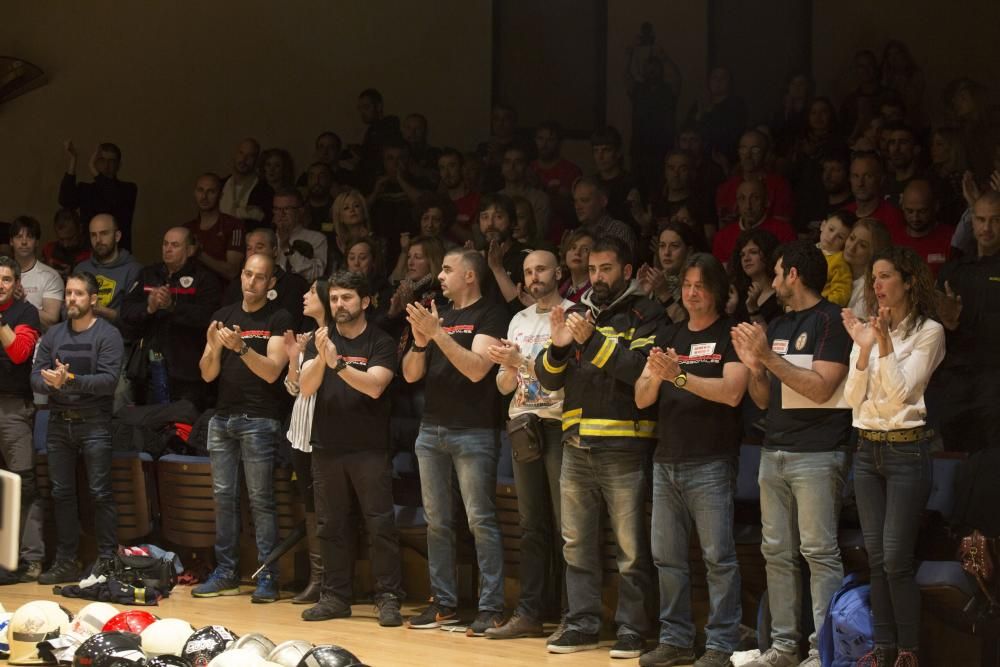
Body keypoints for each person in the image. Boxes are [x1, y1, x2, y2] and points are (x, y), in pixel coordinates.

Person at [535, 236, 664, 658]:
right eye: (591, 270)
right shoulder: (575, 313)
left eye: (605, 269)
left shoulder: (647, 312)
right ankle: (582, 623)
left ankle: (631, 628)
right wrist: (557, 345)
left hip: (624, 444)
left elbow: (638, 371)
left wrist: (590, 341)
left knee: (630, 547)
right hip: (574, 442)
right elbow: (548, 380)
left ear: (627, 271)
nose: (596, 277)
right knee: (576, 543)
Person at [730, 240, 853, 667]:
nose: (773, 280)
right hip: (773, 450)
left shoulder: (833, 321)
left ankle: (825, 651)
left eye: (778, 272)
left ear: (794, 275)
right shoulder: (778, 325)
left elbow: (821, 388)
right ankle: (783, 648)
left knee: (819, 553)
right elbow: (763, 400)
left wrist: (768, 357)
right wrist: (754, 366)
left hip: (819, 454)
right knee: (776, 551)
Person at [635, 253, 749, 667]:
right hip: (667, 460)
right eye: (686, 285)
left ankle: (722, 642)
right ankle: (676, 638)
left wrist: (679, 376)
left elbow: (734, 393)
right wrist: (657, 375)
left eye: (700, 285)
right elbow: (642, 397)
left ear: (717, 290)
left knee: (718, 557)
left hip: (712, 460)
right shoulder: (670, 334)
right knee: (667, 557)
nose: (692, 293)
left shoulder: (730, 334)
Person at [842, 246, 945, 667]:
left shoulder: (929, 331)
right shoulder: (867, 330)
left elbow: (904, 392)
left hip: (906, 451)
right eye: (873, 279)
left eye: (885, 276)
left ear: (907, 281)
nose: (877, 285)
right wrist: (865, 349)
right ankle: (882, 649)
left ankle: (909, 651)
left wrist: (882, 344)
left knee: (898, 558)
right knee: (877, 557)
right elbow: (850, 397)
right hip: (867, 449)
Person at [401, 248, 509, 635]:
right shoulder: (438, 317)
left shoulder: (491, 313)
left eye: (447, 269)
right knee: (437, 523)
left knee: (481, 520)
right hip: (431, 429)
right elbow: (412, 376)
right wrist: (418, 341)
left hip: (475, 431)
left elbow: (478, 369)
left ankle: (491, 606)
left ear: (470, 276)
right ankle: (444, 603)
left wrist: (438, 335)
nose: (440, 275)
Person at [298, 271, 405, 626]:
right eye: (334, 298)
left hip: (369, 448)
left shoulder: (381, 342)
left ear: (365, 301)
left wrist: (339, 365)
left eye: (347, 298)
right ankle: (335, 596)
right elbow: (306, 387)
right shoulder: (321, 339)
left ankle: (388, 597)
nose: (339, 305)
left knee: (380, 526)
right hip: (326, 445)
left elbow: (374, 386)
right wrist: (320, 358)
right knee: (330, 525)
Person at [193, 253, 291, 603]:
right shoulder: (222, 316)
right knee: (223, 500)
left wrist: (242, 347)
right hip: (222, 418)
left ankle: (268, 576)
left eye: (259, 277)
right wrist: (216, 348)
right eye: (247, 275)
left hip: (260, 419)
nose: (251, 282)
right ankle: (226, 573)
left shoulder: (278, 318)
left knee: (261, 501)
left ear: (271, 283)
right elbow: (207, 373)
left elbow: (272, 371)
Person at [484, 250, 572, 639]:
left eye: (541, 269)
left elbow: (562, 376)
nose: (534, 277)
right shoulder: (518, 319)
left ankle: (574, 615)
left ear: (559, 272)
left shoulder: (573, 313)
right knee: (531, 525)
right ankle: (530, 612)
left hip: (560, 425)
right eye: (528, 272)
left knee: (568, 525)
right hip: (522, 422)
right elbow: (505, 386)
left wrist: (520, 362)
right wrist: (507, 366)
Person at [31, 271, 124, 584]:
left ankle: (108, 561)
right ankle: (67, 561)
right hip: (58, 423)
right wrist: (52, 382)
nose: (71, 299)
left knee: (100, 494)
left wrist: (70, 380)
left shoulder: (107, 335)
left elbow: (108, 382)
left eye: (79, 294)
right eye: (69, 293)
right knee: (61, 494)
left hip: (95, 423)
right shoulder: (54, 335)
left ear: (93, 299)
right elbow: (34, 377)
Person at [121, 227, 222, 407]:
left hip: (188, 373)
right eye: (165, 244)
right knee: (148, 426)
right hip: (148, 370)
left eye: (175, 245)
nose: (168, 249)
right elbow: (126, 311)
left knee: (181, 428)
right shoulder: (148, 274)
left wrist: (173, 307)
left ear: (190, 250)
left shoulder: (205, 279)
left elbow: (209, 318)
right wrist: (149, 308)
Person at [934, 191, 1000, 453]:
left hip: (994, 382)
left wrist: (962, 319)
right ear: (971, 221)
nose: (987, 228)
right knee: (953, 459)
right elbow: (932, 323)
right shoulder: (954, 270)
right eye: (981, 219)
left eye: (995, 220)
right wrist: (946, 321)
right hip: (954, 383)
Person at [281, 278, 332, 606]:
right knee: (311, 508)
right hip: (299, 433)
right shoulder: (309, 337)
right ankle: (317, 579)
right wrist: (292, 357)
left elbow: (314, 387)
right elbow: (293, 388)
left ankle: (331, 579)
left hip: (325, 433)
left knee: (328, 509)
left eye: (312, 292)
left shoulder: (334, 338)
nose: (304, 295)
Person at [0, 256, 44, 584]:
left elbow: (19, 353)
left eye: (5, 279)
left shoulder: (25, 313)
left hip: (13, 409)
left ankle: (31, 559)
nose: (0, 284)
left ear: (16, 284)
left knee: (24, 484)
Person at [222, 227, 309, 333]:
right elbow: (225, 319)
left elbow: (292, 325)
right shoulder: (237, 284)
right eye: (249, 248)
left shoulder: (293, 284)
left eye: (259, 247)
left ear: (275, 251)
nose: (253, 252)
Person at [59, 141, 138, 251]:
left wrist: (92, 168)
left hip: (118, 253)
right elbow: (66, 201)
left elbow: (112, 197)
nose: (106, 165)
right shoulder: (86, 189)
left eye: (111, 161)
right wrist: (73, 159)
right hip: (89, 253)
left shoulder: (128, 189)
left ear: (118, 165)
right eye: (102, 160)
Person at [74, 214, 143, 327]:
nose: (98, 240)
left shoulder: (133, 270)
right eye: (93, 235)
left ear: (117, 236)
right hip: (81, 337)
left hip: (117, 340)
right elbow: (66, 311)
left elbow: (134, 319)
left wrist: (101, 311)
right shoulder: (81, 269)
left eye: (104, 233)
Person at [715, 130, 795, 227]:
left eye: (755, 150)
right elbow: (723, 229)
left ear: (766, 154)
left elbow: (783, 228)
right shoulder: (726, 188)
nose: (748, 155)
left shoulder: (779, 186)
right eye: (743, 149)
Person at [711, 179, 796, 265]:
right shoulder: (722, 237)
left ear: (766, 201)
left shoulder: (783, 231)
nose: (748, 206)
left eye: (755, 198)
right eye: (742, 198)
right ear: (736, 204)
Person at [185, 173, 245, 281]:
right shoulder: (187, 229)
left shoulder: (233, 225)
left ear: (220, 195)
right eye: (200, 190)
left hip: (223, 294)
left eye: (211, 191)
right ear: (195, 193)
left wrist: (199, 254)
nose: (204, 197)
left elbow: (233, 271)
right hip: (191, 292)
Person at [637, 221, 701, 322]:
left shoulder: (699, 283)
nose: (666, 252)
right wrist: (643, 294)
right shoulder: (655, 280)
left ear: (689, 251)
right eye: (662, 246)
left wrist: (664, 294)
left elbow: (690, 326)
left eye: (674, 246)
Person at [10, 216, 63, 331]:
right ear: (11, 241)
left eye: (29, 237)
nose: (24, 242)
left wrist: (22, 303)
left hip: (37, 346)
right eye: (19, 237)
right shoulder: (2, 273)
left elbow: (51, 322)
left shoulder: (51, 276)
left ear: (37, 242)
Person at [892, 179, 955, 277]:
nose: (915, 218)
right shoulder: (893, 239)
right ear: (902, 206)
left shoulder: (952, 238)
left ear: (935, 206)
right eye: (909, 211)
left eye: (922, 211)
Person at [684, 66, 748, 161]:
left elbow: (731, 133)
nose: (718, 81)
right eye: (715, 77)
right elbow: (688, 129)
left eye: (723, 78)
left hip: (725, 157)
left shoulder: (736, 105)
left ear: (730, 82)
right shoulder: (700, 104)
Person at [479, 193, 532, 305]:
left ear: (513, 222)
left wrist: (498, 269)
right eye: (485, 217)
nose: (490, 223)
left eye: (498, 217)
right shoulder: (478, 257)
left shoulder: (526, 257)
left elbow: (525, 308)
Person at [573, 177, 638, 258]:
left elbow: (624, 268)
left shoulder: (619, 232)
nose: (577, 207)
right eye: (575, 201)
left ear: (603, 201)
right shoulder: (577, 234)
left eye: (585, 200)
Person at [273, 188, 327, 283]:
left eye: (287, 209)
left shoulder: (316, 238)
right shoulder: (267, 238)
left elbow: (317, 274)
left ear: (300, 211)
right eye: (277, 209)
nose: (281, 214)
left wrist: (287, 249)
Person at [591, 126, 641, 228]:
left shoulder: (630, 183)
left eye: (606, 150)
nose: (600, 156)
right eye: (596, 151)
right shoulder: (591, 183)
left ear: (618, 152)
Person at [729, 228, 781, 325]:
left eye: (753, 252)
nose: (746, 258)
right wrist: (730, 310)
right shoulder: (738, 296)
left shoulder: (781, 296)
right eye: (742, 255)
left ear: (768, 254)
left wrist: (753, 308)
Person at [844, 216, 892, 318]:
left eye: (862, 245)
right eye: (852, 238)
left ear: (874, 253)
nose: (852, 247)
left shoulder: (871, 289)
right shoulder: (833, 265)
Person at [845, 153, 904, 234]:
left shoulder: (892, 217)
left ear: (881, 179)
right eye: (855, 176)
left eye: (868, 176)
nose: (860, 183)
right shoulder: (844, 214)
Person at [499, 145, 551, 237]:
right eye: (507, 162)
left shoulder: (540, 199)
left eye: (518, 162)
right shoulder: (496, 198)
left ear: (527, 167)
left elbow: (538, 234)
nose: (512, 167)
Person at [220, 138, 270, 230]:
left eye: (250, 156)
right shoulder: (220, 185)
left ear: (257, 160)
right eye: (241, 153)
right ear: (235, 155)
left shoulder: (264, 191)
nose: (244, 159)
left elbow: (265, 222)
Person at [437, 148, 481, 243]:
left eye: (452, 166)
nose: (447, 173)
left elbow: (477, 242)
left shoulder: (476, 200)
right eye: (442, 168)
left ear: (462, 168)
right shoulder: (436, 201)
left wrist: (449, 220)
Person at [42, 208, 90, 280]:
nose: (65, 245)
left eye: (70, 239)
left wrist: (73, 274)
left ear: (80, 229)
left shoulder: (89, 255)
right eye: (61, 239)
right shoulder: (49, 250)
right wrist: (47, 270)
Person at [816, 213, 853, 307]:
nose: (832, 237)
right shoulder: (810, 248)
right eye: (831, 229)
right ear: (823, 225)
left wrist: (820, 305)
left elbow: (841, 293)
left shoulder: (839, 262)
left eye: (840, 237)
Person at [558, 228, 593, 303]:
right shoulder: (559, 287)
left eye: (585, 249)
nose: (577, 252)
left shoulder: (596, 293)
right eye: (573, 247)